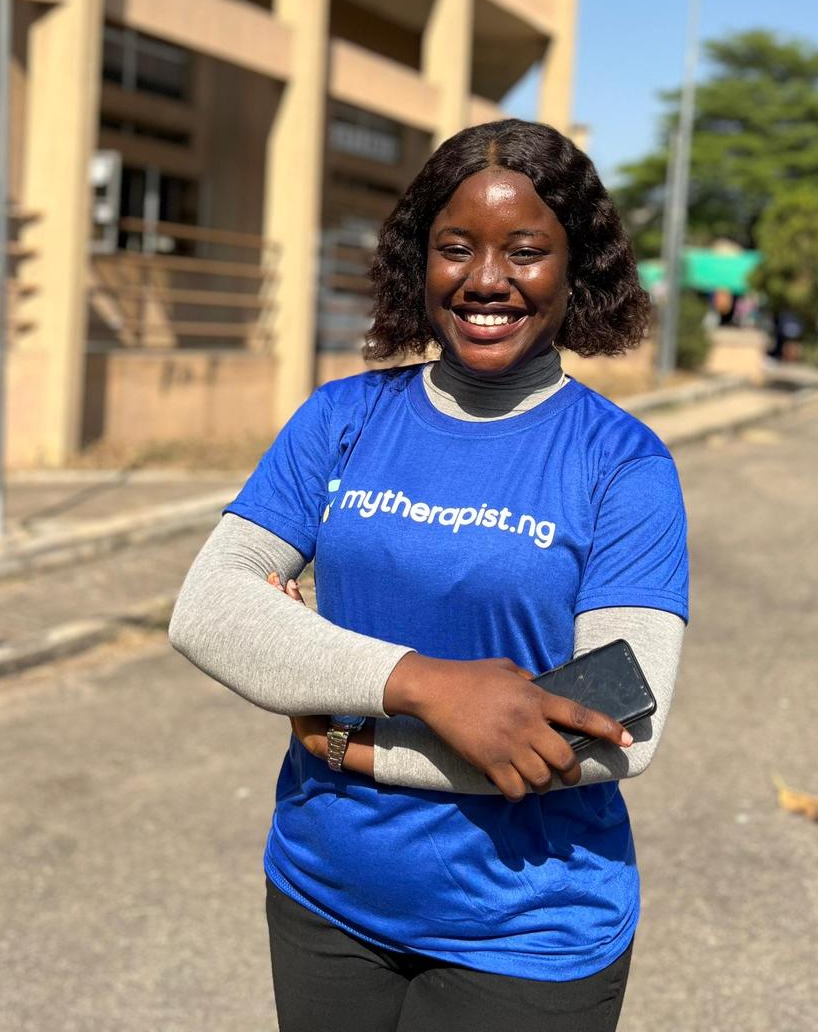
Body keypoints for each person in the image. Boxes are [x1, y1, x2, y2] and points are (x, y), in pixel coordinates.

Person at [169, 119, 689, 1031]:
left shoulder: (622, 463)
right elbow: (209, 608)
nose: (487, 280)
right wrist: (422, 685)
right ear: (422, 262)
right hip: (323, 896)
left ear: (577, 269)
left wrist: (345, 743)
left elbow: (618, 728)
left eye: (525, 251)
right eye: (457, 248)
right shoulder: (342, 418)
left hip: (528, 930)